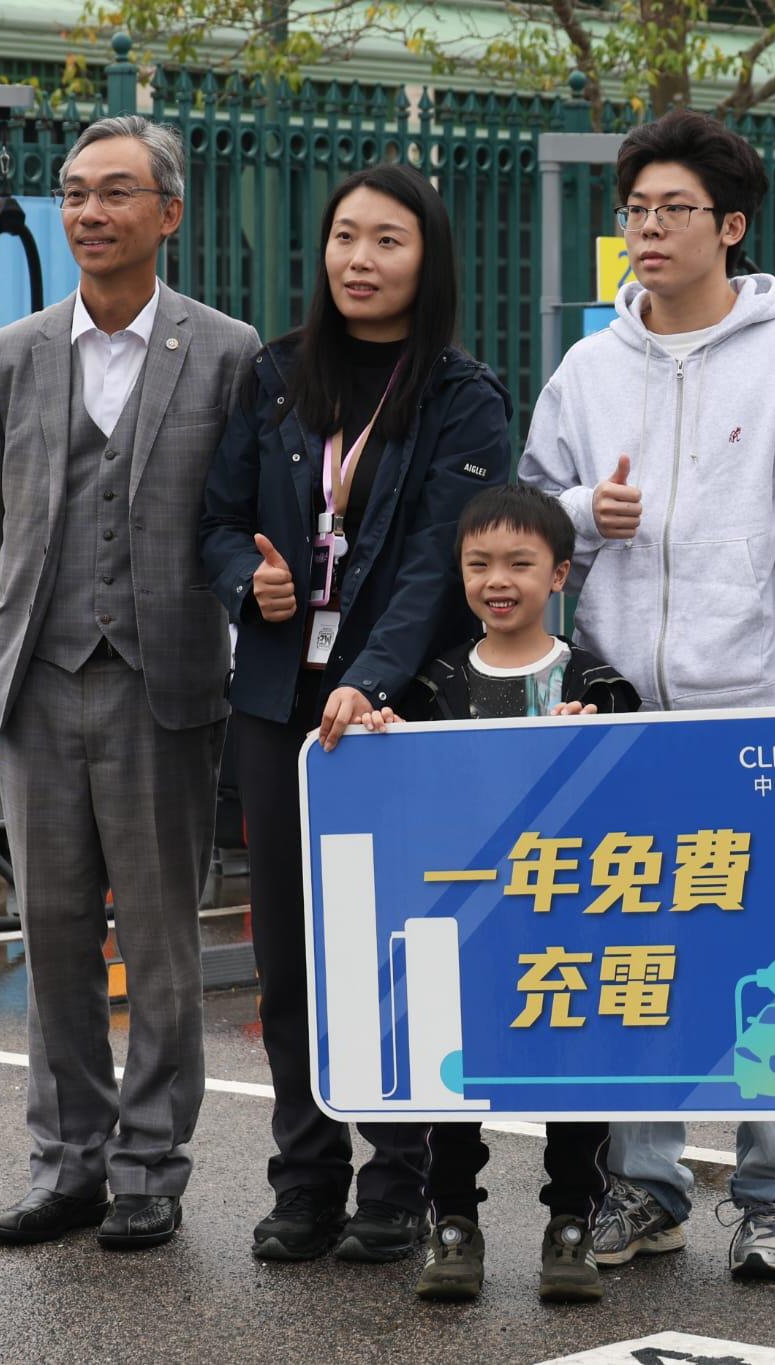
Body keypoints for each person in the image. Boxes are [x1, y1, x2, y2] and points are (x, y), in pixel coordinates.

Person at [519, 108, 775, 1280]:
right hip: (616, 709)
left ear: (729, 226)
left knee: (774, 958)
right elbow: (519, 528)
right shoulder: (584, 368)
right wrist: (578, 519)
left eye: (671, 210)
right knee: (639, 956)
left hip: (752, 710)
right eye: (634, 211)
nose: (646, 230)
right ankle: (648, 1187)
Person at [199, 162, 513, 1265]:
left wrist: (368, 681)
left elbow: (437, 568)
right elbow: (218, 519)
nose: (360, 260)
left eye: (387, 240)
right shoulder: (275, 376)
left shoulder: (462, 396)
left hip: (398, 718)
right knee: (288, 955)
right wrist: (249, 579)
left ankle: (398, 1175)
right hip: (280, 708)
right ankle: (305, 1175)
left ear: (426, 260)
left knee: (402, 950)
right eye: (344, 238)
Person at [0, 115, 258, 1250]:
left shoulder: (225, 353)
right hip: (40, 679)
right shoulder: (6, 358)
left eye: (116, 193)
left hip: (166, 682)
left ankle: (149, 1167)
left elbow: (233, 515)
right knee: (50, 937)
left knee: (161, 943)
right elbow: (0, 517)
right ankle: (67, 1161)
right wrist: (49, 621)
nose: (89, 212)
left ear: (167, 214)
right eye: (74, 193)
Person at [345, 483, 639, 1304]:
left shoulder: (598, 682)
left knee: (573, 1074)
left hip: (567, 921)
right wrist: (379, 733)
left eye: (519, 562)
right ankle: (452, 1223)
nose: (497, 579)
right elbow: (395, 784)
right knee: (453, 1079)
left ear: (561, 575)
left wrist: (595, 741)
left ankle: (572, 1219)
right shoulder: (429, 681)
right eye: (478, 564)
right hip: (459, 922)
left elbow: (641, 791)